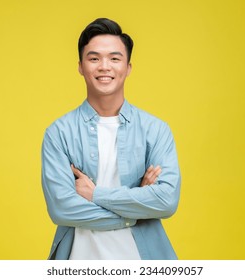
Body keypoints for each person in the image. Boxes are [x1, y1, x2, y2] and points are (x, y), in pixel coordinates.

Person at [41, 18, 181, 260]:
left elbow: (166, 201)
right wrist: (136, 207)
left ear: (127, 67)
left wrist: (95, 195)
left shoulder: (155, 130)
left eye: (114, 58)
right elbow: (61, 208)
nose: (104, 66)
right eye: (94, 58)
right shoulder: (59, 132)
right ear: (81, 66)